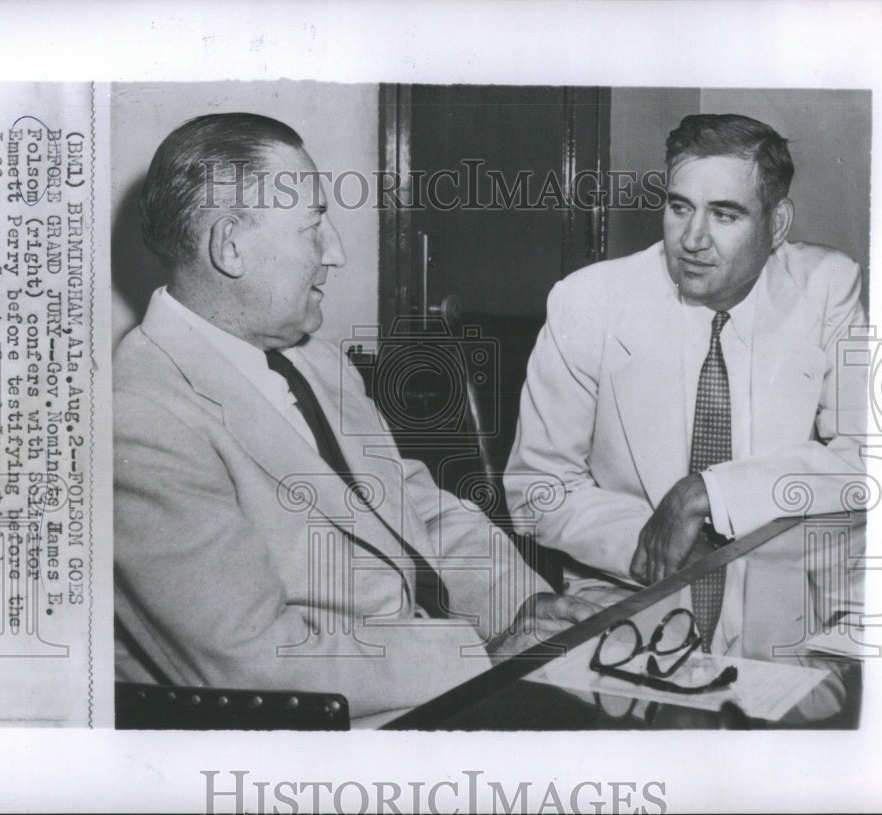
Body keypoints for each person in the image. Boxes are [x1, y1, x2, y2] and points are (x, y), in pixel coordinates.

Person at [114, 112, 596, 726]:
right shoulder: (141, 419)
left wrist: (533, 608)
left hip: (439, 686)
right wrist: (483, 654)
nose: (336, 252)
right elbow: (258, 664)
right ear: (230, 245)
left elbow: (420, 514)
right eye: (314, 225)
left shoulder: (313, 359)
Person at [505, 113, 868, 721]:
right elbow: (537, 491)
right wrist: (658, 537)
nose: (693, 238)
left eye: (726, 214)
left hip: (787, 634)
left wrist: (710, 494)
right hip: (627, 627)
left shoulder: (828, 287)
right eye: (679, 208)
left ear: (777, 224)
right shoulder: (587, 302)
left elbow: (870, 459)